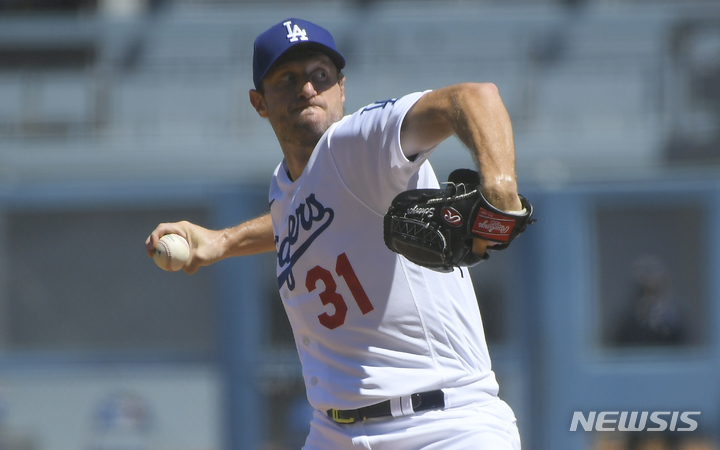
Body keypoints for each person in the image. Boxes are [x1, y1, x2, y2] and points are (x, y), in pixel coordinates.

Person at [146, 18, 523, 449]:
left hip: (442, 425)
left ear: (341, 88)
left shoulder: (356, 142)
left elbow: (473, 97)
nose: (307, 88)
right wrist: (222, 241)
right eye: (287, 78)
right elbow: (304, 217)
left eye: (319, 76)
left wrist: (500, 185)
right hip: (334, 432)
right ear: (259, 102)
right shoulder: (285, 187)